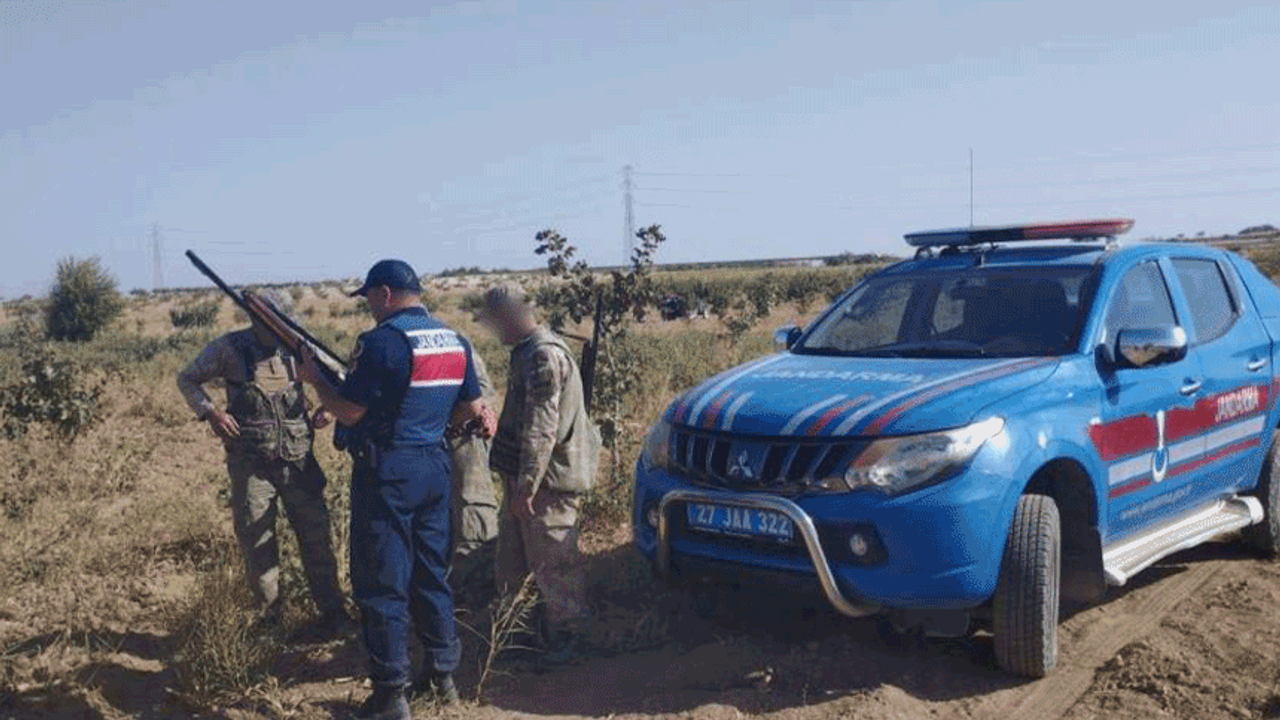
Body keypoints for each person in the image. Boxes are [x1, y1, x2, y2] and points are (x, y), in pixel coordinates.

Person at [297, 260, 494, 720]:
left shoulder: (381, 342)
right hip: (434, 467)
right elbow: (469, 408)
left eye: (368, 296)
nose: (368, 306)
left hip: (388, 471)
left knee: (381, 583)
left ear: (385, 293)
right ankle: (443, 676)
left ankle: (390, 695)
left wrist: (315, 381)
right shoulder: (453, 339)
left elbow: (348, 412)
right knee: (430, 573)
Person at [176, 290, 350, 638]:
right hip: (250, 464)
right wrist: (212, 413)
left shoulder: (302, 346)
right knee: (257, 540)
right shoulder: (229, 348)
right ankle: (271, 622)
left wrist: (329, 407)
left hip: (299, 462)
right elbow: (187, 378)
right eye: (270, 320)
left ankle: (334, 615)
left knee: (316, 537)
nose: (277, 327)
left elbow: (340, 377)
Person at [480, 285, 601, 663]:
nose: (494, 330)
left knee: (555, 568)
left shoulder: (543, 356)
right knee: (512, 564)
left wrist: (527, 487)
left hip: (546, 484)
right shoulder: (531, 351)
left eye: (496, 321)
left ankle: (570, 642)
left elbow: (541, 430)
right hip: (530, 481)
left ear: (513, 315)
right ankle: (520, 639)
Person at [445, 349, 500, 604]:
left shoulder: (455, 345)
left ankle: (480, 594)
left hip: (464, 440)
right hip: (428, 449)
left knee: (473, 518)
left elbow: (483, 397)